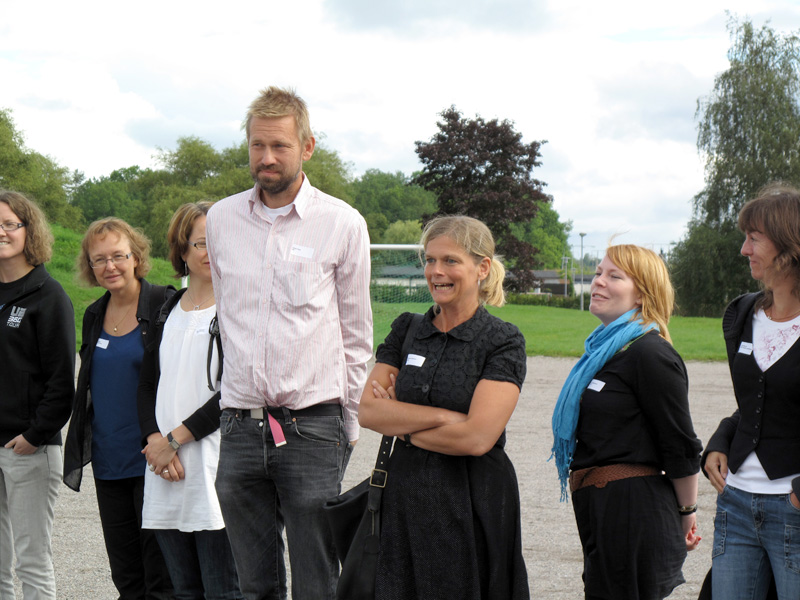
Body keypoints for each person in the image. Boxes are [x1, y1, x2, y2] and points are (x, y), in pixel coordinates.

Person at [205, 86, 372, 600]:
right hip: (237, 425)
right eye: (257, 145)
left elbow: (356, 333)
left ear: (308, 146)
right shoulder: (220, 219)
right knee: (253, 584)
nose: (267, 157)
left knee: (317, 581)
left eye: (279, 145)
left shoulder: (341, 222)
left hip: (312, 426)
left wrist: (347, 422)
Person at [359, 215, 529, 599]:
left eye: (450, 260)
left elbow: (476, 438)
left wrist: (400, 420)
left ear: (482, 267)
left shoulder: (502, 340)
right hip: (405, 494)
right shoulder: (407, 328)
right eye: (429, 260)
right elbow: (369, 412)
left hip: (473, 497)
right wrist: (443, 418)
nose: (436, 271)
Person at [551, 244, 702, 600]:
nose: (598, 281)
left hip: (634, 514)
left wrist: (687, 513)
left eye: (614, 276)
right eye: (599, 272)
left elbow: (680, 444)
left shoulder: (650, 353)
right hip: (605, 509)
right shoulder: (607, 353)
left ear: (642, 295)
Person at [63, 218, 174, 599]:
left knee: (162, 577)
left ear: (136, 257)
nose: (109, 266)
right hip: (109, 464)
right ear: (89, 267)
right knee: (126, 577)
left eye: (118, 256)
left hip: (155, 461)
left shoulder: (163, 304)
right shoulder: (94, 313)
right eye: (99, 260)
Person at [138, 202, 242, 600]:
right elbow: (146, 385)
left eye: (219, 241)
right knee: (183, 591)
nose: (210, 251)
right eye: (201, 242)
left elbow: (233, 389)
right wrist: (154, 443)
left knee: (224, 590)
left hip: (213, 466)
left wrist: (174, 440)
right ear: (182, 250)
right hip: (164, 468)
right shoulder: (166, 309)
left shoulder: (237, 309)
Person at [702, 184, 800, 600]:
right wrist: (721, 441)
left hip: (793, 510)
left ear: (790, 245)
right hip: (737, 504)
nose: (744, 249)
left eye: (754, 237)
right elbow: (755, 402)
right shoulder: (742, 313)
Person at [0, 190, 75, 599]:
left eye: (10, 224)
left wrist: (33, 435)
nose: (2, 232)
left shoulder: (49, 296)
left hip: (28, 448)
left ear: (28, 231)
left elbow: (63, 382)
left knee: (31, 561)